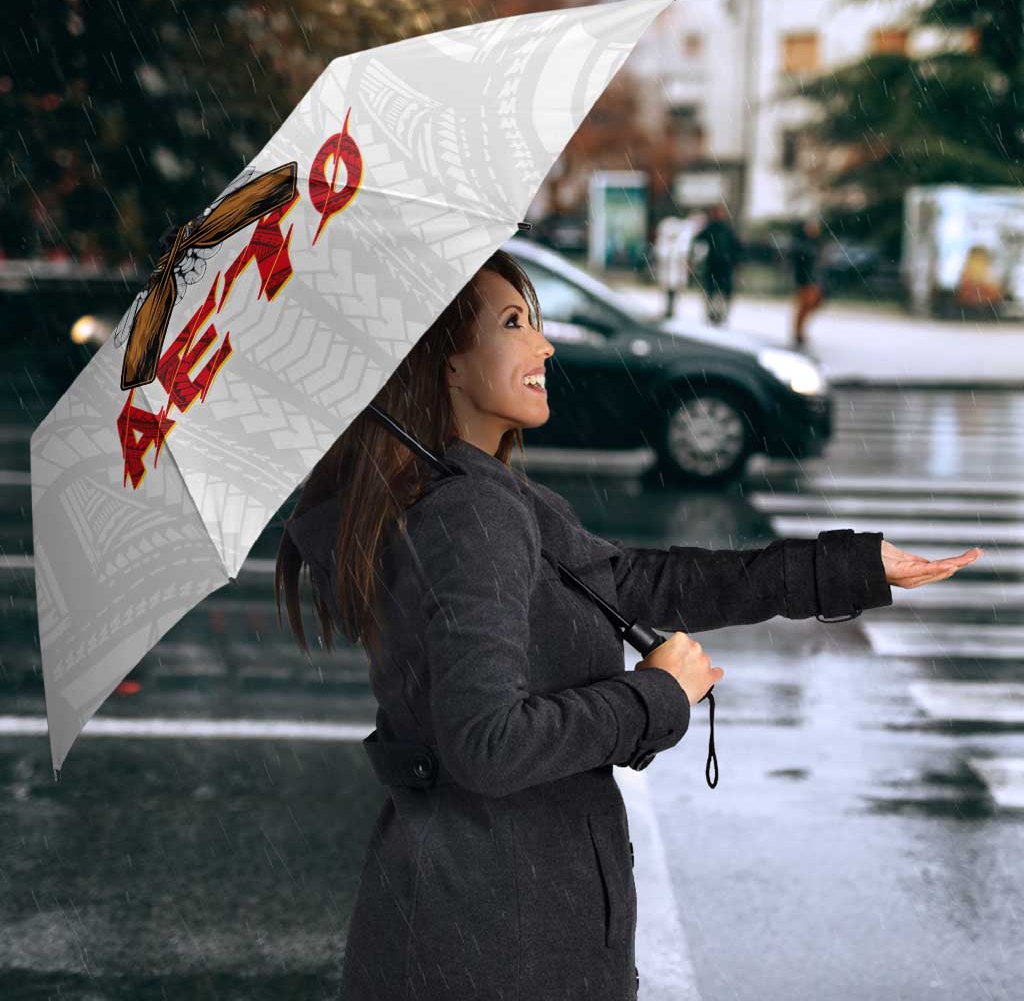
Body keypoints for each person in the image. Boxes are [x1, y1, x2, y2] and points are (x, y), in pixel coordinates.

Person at [276, 248, 980, 1001]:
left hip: (479, 919)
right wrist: (655, 696)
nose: (544, 345)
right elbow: (487, 744)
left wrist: (850, 568)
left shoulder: (478, 496)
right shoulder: (469, 513)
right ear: (444, 363)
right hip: (498, 940)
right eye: (514, 323)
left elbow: (642, 582)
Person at [692, 203, 742, 326]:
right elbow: (698, 241)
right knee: (713, 291)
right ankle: (713, 314)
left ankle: (719, 314)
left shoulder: (725, 229)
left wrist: (735, 261)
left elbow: (736, 247)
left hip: (723, 265)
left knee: (720, 292)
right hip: (715, 265)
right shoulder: (712, 228)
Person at [790, 216, 826, 347]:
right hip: (805, 280)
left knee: (812, 305)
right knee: (804, 306)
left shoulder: (817, 243)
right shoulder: (802, 244)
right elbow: (799, 263)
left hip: (814, 280)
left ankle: (799, 331)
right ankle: (798, 332)